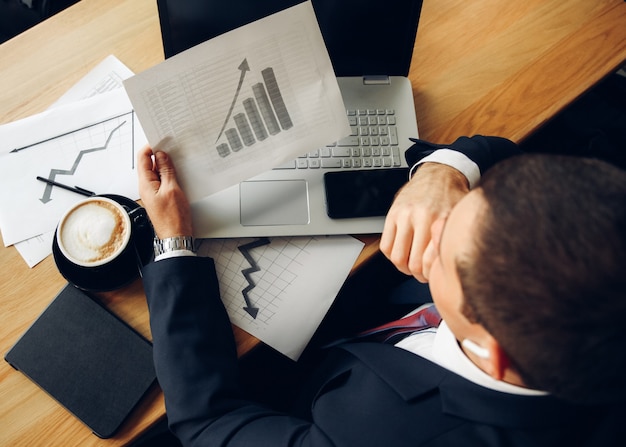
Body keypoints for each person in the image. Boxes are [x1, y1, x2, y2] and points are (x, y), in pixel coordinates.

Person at [137, 136, 626, 446]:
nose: (432, 234)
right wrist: (443, 175)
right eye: (460, 211)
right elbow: (519, 170)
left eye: (441, 256)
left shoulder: (372, 435)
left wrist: (175, 244)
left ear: (495, 355)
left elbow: (209, 422)